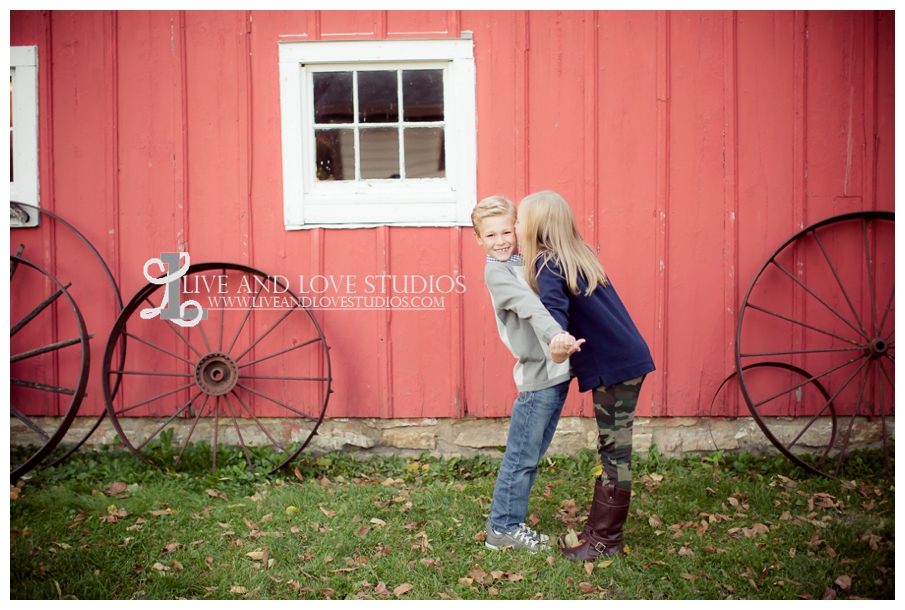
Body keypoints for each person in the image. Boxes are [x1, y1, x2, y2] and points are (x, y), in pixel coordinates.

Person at [516, 190, 655, 561]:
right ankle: (599, 532)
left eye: (519, 220)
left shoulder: (547, 263)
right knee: (612, 448)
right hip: (627, 359)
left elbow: (554, 319)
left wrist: (555, 344)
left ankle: (605, 542)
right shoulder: (578, 255)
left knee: (615, 452)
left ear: (536, 226)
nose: (515, 226)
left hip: (615, 367)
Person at [471, 195, 585, 553]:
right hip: (538, 376)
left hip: (555, 372)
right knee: (521, 456)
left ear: (518, 229)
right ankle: (501, 528)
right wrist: (558, 336)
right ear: (478, 240)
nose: (501, 241)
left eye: (507, 231)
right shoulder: (498, 273)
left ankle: (511, 522)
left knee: (531, 455)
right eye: (490, 236)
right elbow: (532, 307)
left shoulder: (524, 262)